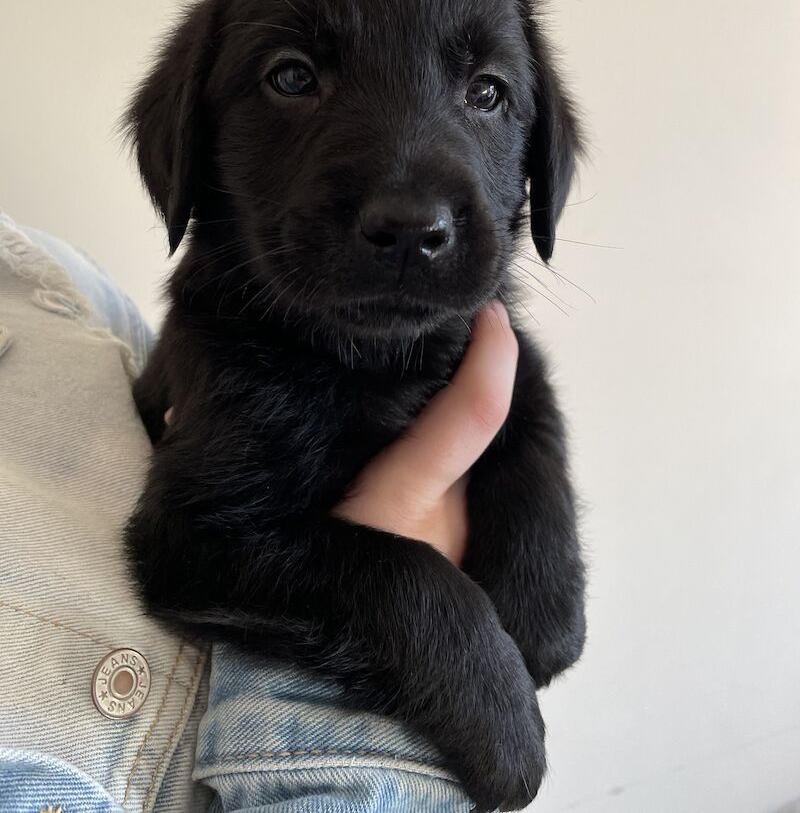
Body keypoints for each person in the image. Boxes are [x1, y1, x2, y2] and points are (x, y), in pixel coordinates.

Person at [0, 212, 518, 812]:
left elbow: (502, 401)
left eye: (484, 106)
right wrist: (427, 625)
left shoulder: (49, 281)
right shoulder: (220, 327)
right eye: (298, 106)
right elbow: (192, 547)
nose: (411, 214)